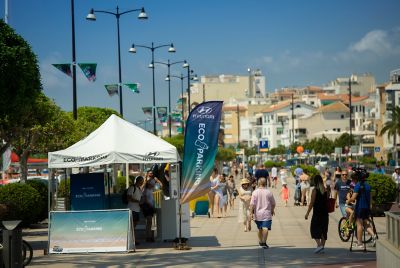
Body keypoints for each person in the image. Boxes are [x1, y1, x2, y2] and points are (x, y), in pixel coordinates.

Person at [347, 168, 377, 248]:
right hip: (366, 207)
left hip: (360, 207)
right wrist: (370, 206)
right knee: (366, 224)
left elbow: (353, 198)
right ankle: (374, 236)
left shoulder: (358, 185)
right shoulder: (368, 186)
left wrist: (348, 201)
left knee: (359, 224)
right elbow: (370, 198)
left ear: (356, 178)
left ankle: (359, 243)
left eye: (353, 179)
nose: (353, 181)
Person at [305, 175, 329, 254]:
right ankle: (322, 247)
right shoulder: (326, 190)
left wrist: (307, 213)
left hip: (317, 213)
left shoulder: (315, 190)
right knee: (323, 230)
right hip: (325, 213)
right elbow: (327, 201)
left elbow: (312, 203)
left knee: (314, 229)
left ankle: (319, 245)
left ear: (315, 182)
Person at [249, 177, 276, 249]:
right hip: (267, 213)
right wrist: (272, 210)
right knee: (265, 228)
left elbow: (252, 204)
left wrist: (251, 213)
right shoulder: (269, 192)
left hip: (257, 214)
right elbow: (273, 203)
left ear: (258, 183)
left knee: (259, 228)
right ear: (265, 183)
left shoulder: (255, 192)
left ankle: (261, 241)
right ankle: (264, 242)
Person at [127, 176, 144, 244]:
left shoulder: (139, 188)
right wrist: (138, 201)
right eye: (141, 181)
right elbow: (129, 198)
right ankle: (132, 240)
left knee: (134, 226)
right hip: (132, 209)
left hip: (137, 209)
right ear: (138, 181)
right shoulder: (132, 188)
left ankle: (133, 240)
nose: (142, 182)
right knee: (132, 226)